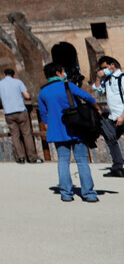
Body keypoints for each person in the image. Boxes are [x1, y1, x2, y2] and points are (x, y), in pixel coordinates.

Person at [38, 63, 99, 202]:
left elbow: (43, 114)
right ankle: (89, 193)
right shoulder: (68, 85)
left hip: (57, 130)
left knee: (63, 161)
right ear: (58, 72)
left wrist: (49, 125)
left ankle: (66, 193)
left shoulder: (43, 92)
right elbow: (88, 98)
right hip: (76, 127)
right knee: (82, 160)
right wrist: (97, 108)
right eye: (63, 71)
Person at [0, 68, 42, 164]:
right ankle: (32, 158)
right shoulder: (18, 82)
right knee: (27, 134)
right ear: (14, 75)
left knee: (15, 136)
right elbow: (27, 96)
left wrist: (2, 100)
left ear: (4, 75)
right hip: (20, 111)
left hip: (9, 113)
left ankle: (20, 158)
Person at [93, 56, 124, 178]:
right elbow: (97, 92)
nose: (103, 70)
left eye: (105, 68)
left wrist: (123, 116)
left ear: (112, 65)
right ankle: (118, 167)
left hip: (122, 115)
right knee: (111, 139)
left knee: (112, 139)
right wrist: (98, 78)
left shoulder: (122, 78)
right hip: (113, 117)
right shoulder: (107, 80)